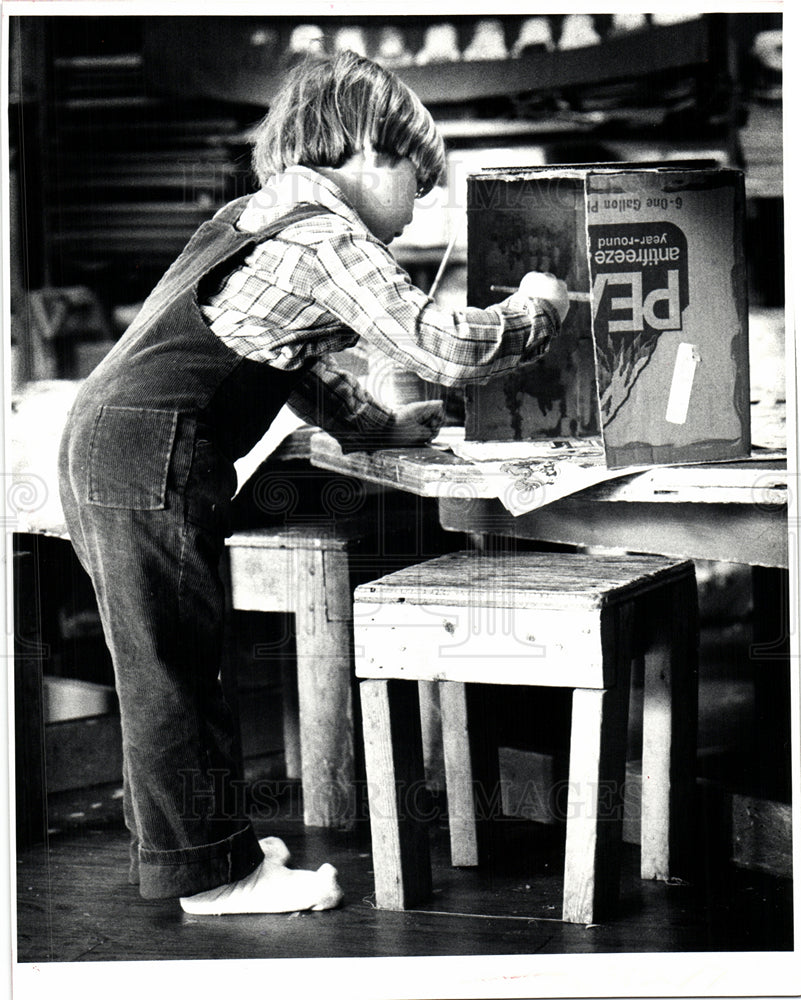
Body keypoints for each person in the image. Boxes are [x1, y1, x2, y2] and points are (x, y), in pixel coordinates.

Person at [57, 49, 569, 916]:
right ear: (370, 148)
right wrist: (537, 309)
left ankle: (206, 851)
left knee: (173, 657)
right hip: (146, 453)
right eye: (421, 178)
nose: (421, 206)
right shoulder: (324, 235)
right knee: (170, 668)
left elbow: (292, 368)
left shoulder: (259, 220)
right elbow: (441, 346)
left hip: (117, 444)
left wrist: (377, 427)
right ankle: (215, 880)